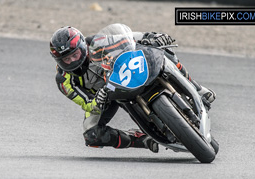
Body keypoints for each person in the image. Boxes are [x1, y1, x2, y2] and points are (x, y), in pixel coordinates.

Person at [49, 25, 216, 153]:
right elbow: (85, 103)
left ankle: (196, 87)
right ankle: (141, 140)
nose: (72, 61)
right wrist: (96, 102)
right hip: (107, 96)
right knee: (91, 135)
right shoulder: (64, 81)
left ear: (82, 47)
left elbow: (129, 38)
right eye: (66, 59)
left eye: (74, 55)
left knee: (161, 49)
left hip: (129, 71)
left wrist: (151, 37)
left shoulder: (97, 42)